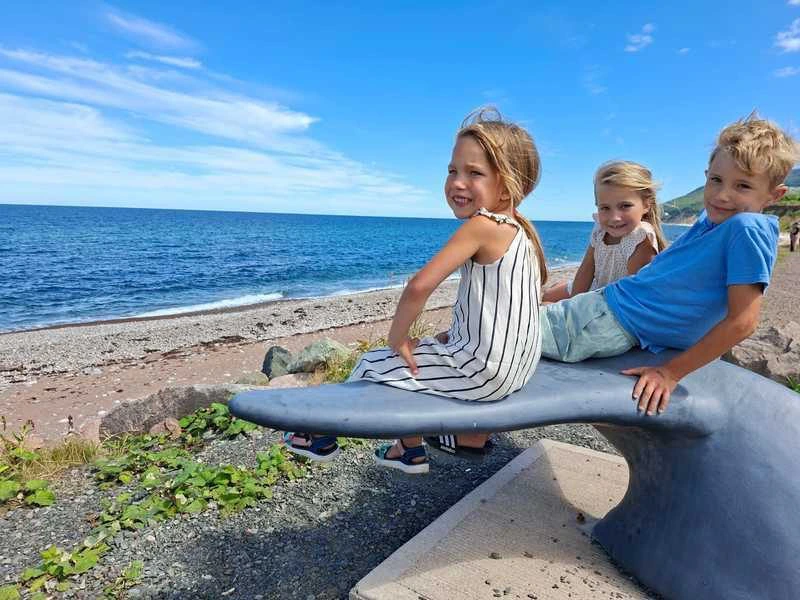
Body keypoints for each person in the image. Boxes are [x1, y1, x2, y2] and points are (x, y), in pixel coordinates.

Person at [284, 108, 548, 473]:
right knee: (425, 355)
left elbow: (418, 286)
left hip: (485, 372)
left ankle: (319, 436)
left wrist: (399, 339)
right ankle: (410, 447)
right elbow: (508, 306)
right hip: (518, 366)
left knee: (374, 363)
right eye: (452, 170)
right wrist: (452, 335)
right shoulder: (522, 231)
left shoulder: (484, 225)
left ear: (507, 185)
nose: (457, 182)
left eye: (474, 173)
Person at [541, 112, 798, 416]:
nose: (722, 195)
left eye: (742, 186)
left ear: (774, 194)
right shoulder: (715, 222)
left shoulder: (746, 228)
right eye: (716, 180)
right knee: (513, 317)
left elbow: (744, 321)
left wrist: (670, 372)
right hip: (606, 307)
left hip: (611, 320)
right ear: (706, 176)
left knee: (506, 332)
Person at [543, 160, 668, 303]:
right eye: (605, 208)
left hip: (617, 302)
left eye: (625, 206)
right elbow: (584, 273)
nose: (614, 218)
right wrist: (572, 305)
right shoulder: (600, 230)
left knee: (548, 307)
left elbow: (632, 297)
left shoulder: (640, 237)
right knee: (546, 297)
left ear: (646, 204)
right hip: (595, 288)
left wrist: (576, 312)